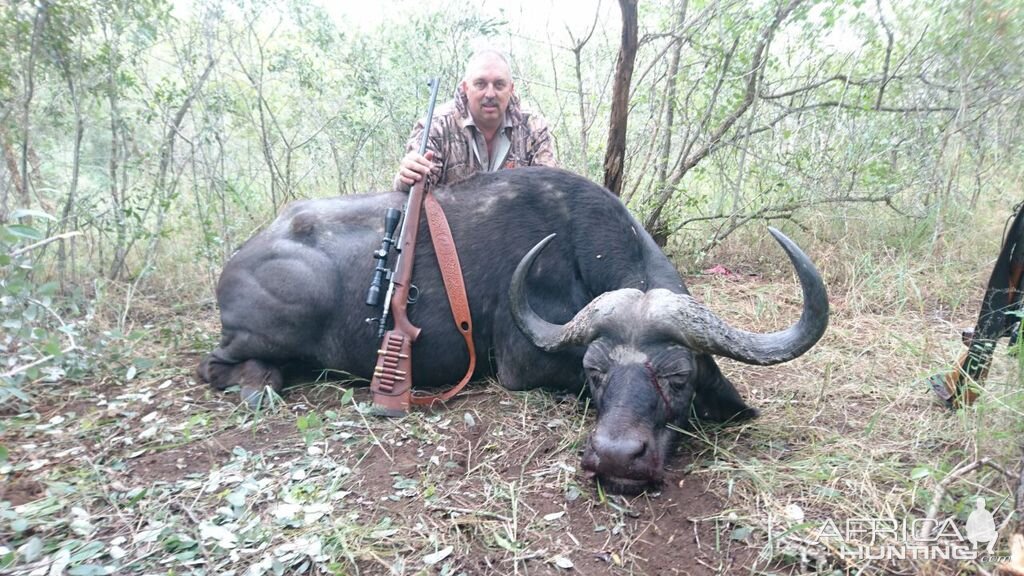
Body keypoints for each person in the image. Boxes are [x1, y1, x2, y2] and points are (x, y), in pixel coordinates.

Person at [393, 49, 557, 192]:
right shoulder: (436, 126)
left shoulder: (533, 127)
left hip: (515, 224)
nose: (490, 94)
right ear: (466, 87)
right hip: (451, 225)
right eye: (480, 84)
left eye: (499, 84)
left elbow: (550, 187)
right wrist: (407, 177)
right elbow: (416, 187)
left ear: (511, 89)